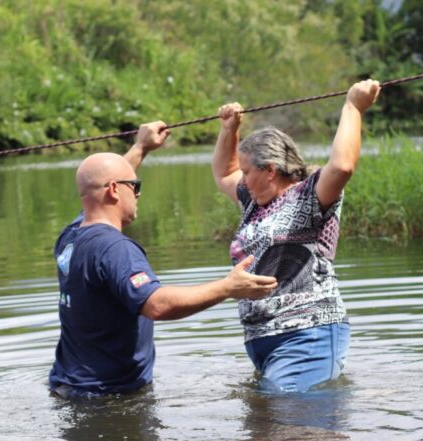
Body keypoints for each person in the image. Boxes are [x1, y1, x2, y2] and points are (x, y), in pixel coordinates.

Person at [49, 121, 278, 398]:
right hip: (107, 396)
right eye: (135, 186)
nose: (138, 194)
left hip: (66, 387)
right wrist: (228, 287)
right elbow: (157, 305)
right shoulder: (115, 249)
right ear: (113, 190)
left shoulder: (71, 237)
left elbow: (97, 184)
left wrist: (141, 147)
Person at [211, 79, 381, 392]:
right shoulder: (253, 202)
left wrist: (353, 107)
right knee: (270, 426)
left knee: (285, 423)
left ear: (270, 170)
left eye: (248, 172)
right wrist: (228, 130)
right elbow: (224, 172)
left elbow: (342, 166)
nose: (243, 180)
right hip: (263, 342)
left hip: (309, 334)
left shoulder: (310, 195)